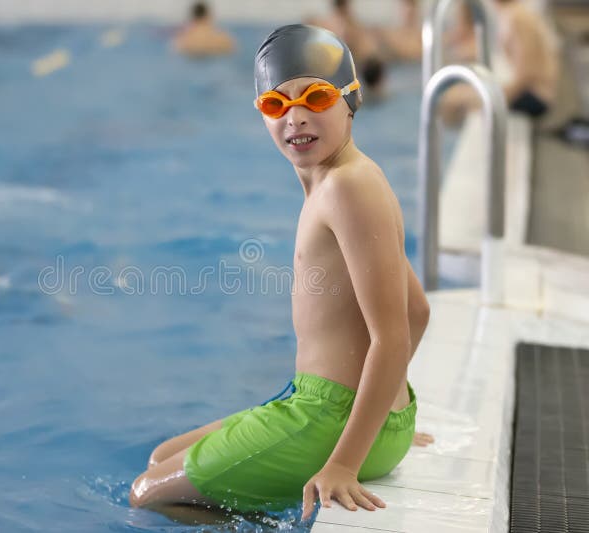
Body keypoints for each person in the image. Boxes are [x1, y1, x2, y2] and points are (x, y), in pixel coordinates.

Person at [130, 25, 434, 522]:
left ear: (350, 100)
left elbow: (394, 334)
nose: (295, 117)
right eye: (275, 104)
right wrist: (387, 417)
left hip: (326, 418)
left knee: (146, 492)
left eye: (315, 96)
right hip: (346, 412)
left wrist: (346, 461)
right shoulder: (350, 178)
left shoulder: (346, 189)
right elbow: (418, 309)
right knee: (161, 456)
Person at [440, 0, 559, 122]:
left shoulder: (517, 17)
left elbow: (527, 74)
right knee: (456, 96)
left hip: (535, 96)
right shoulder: (512, 13)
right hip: (529, 90)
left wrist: (495, 97)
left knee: (455, 99)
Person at [171, 2, 236, 58]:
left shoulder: (182, 41)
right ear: (209, 16)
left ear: (192, 18)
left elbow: (176, 52)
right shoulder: (224, 39)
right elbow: (233, 51)